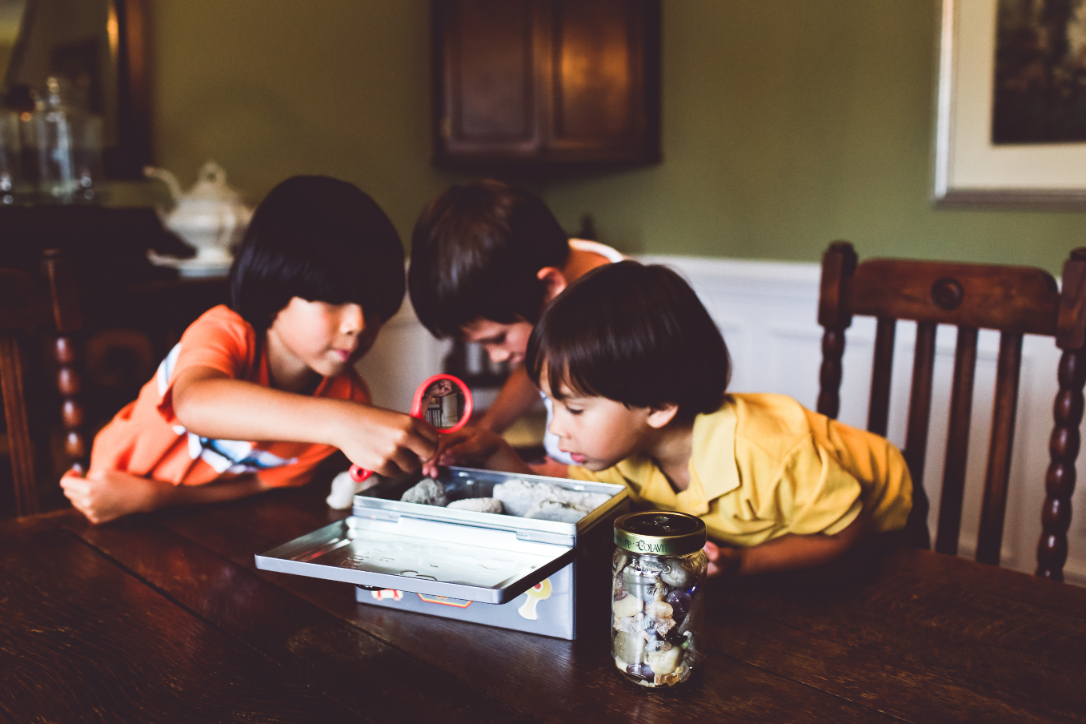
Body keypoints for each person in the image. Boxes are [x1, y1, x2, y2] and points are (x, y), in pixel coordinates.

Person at [427, 261, 916, 577]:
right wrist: (500, 456)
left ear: (658, 406)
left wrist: (746, 563)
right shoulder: (618, 453)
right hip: (789, 530)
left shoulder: (769, 451)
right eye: (551, 405)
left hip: (881, 521)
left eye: (574, 409)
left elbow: (844, 529)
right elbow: (566, 497)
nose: (555, 429)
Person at [61, 176, 439, 524]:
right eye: (333, 298)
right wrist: (343, 422)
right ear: (274, 289)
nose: (359, 323)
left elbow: (262, 484)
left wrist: (151, 498)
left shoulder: (347, 397)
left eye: (373, 304)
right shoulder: (228, 332)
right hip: (103, 498)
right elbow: (193, 403)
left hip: (181, 518)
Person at [408, 179, 623, 476]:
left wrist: (551, 474)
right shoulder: (552, 270)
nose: (496, 356)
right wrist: (486, 429)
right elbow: (535, 363)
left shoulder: (624, 329)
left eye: (498, 338)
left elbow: (626, 473)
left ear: (550, 287)